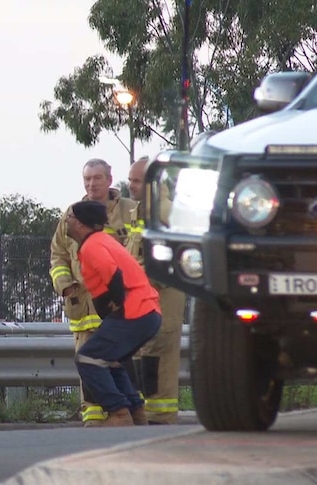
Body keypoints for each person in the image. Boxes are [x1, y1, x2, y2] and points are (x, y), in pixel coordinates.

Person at [49, 158, 138, 427]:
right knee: (88, 364)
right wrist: (65, 285)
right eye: (87, 179)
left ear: (109, 180)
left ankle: (127, 413)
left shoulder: (129, 211)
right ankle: (94, 417)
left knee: (121, 363)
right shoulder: (71, 215)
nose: (91, 184)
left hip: (119, 307)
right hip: (84, 309)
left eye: (97, 178)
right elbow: (58, 255)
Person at [66, 200, 162, 426]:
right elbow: (102, 293)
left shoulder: (93, 246)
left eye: (70, 217)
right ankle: (136, 411)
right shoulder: (101, 242)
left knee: (87, 358)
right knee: (110, 360)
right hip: (147, 313)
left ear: (80, 224)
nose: (66, 221)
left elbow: (114, 277)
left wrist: (120, 308)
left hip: (136, 312)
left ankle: (119, 412)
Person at [126, 156, 187, 424]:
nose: (131, 186)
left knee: (159, 369)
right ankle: (152, 418)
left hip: (162, 306)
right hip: (144, 306)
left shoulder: (166, 213)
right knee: (146, 367)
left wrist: (136, 278)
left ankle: (162, 422)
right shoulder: (141, 212)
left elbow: (170, 260)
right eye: (130, 180)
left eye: (137, 181)